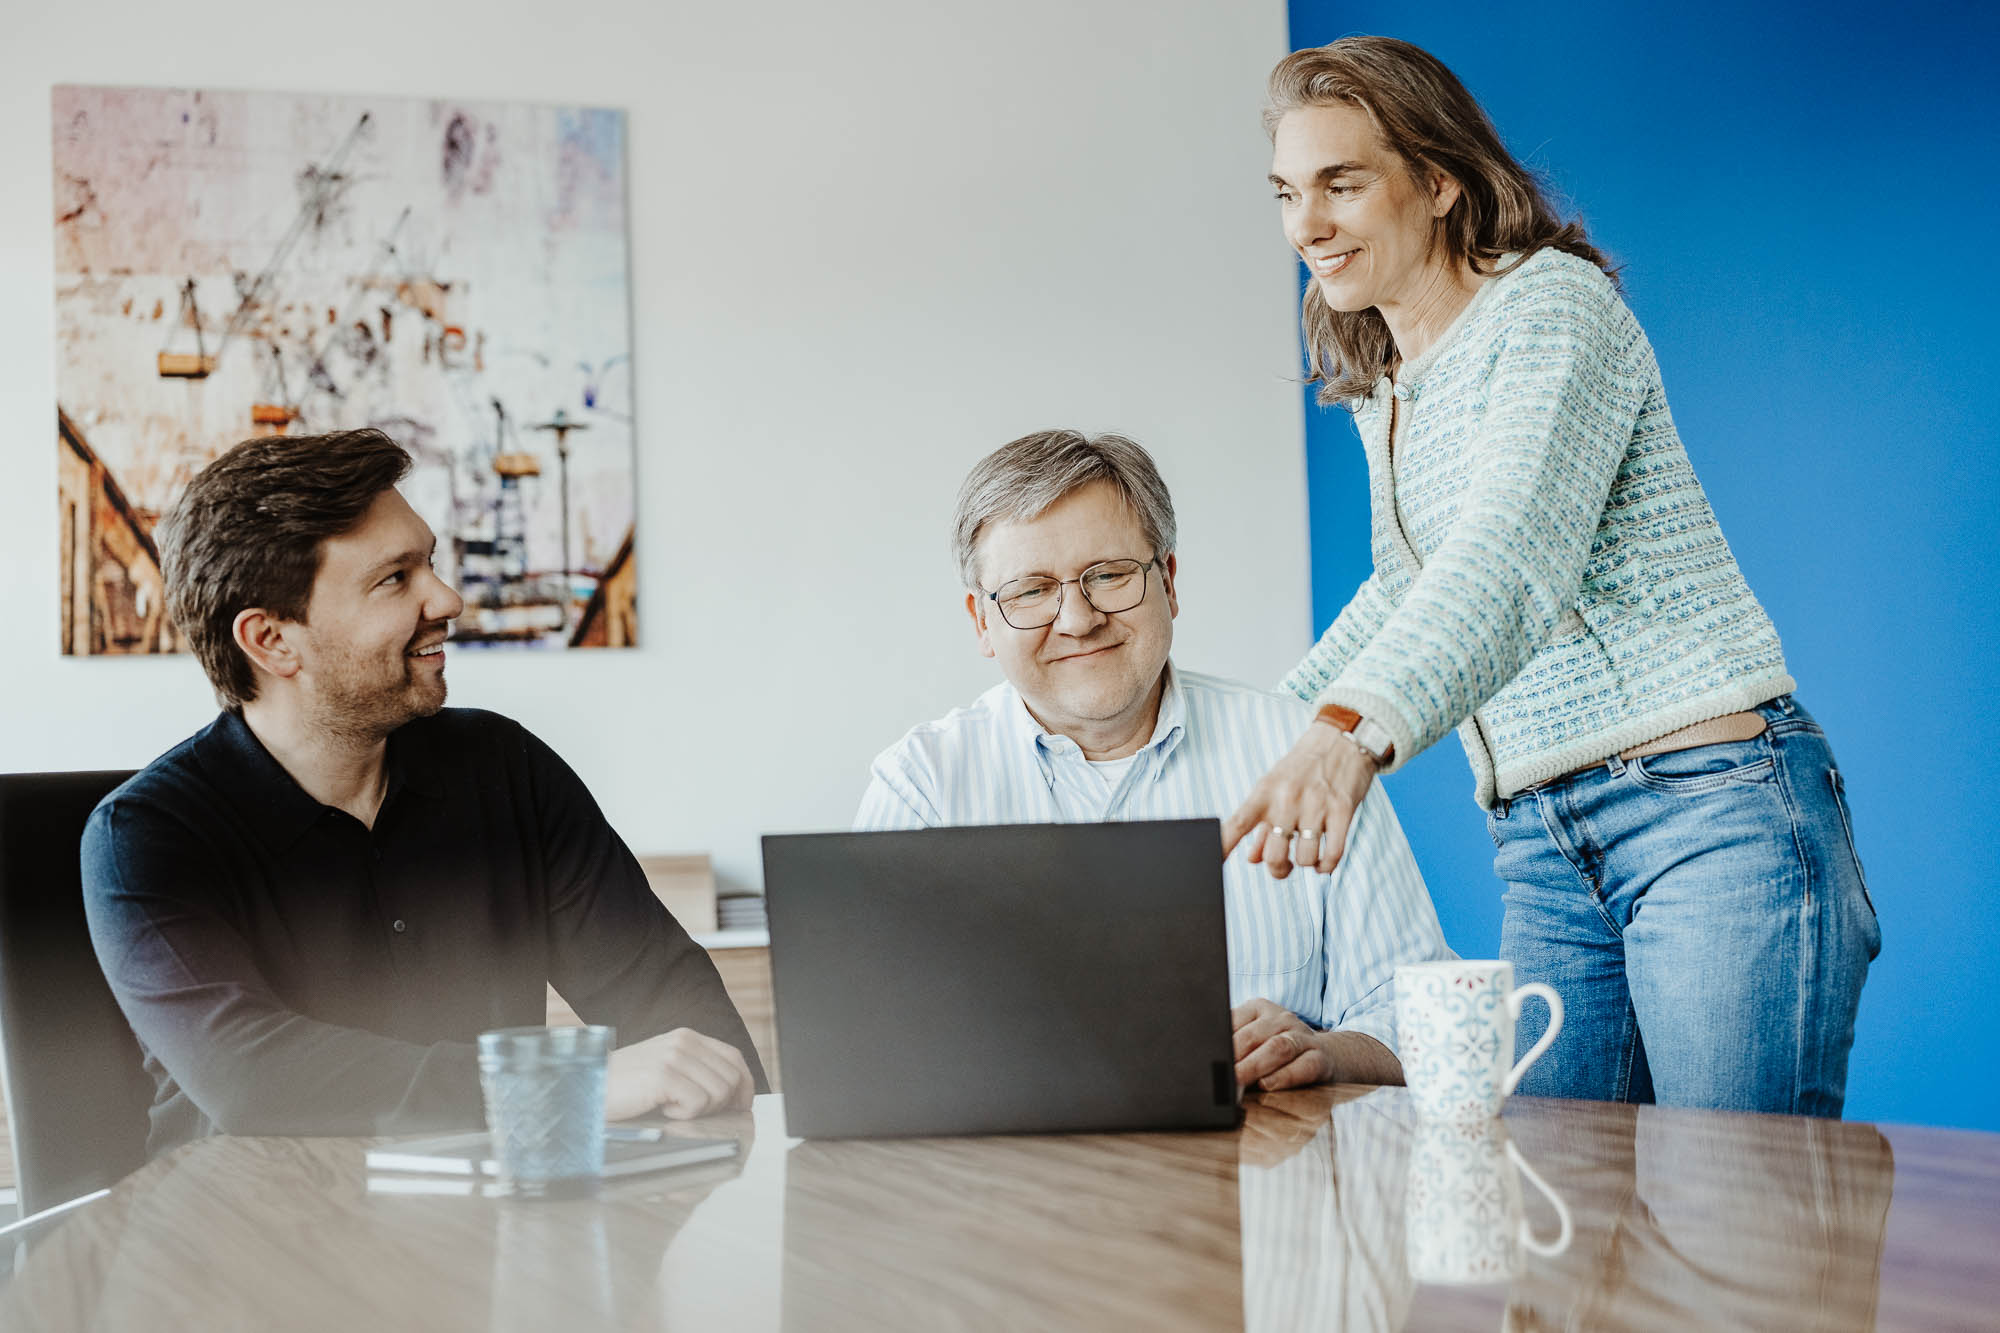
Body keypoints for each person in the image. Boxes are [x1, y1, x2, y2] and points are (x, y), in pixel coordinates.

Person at [1224, 36, 1877, 1115]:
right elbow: (1408, 587)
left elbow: (1512, 553)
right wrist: (1259, 748)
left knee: (1735, 1205)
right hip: (1541, 842)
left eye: (1341, 183)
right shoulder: (1390, 385)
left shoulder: (1549, 307)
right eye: (1288, 193)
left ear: (1438, 180)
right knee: (1551, 1206)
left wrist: (1344, 735)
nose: (1307, 226)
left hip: (1703, 810)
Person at [82, 429, 763, 1156]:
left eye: (428, 563)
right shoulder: (144, 837)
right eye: (394, 579)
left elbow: (677, 1013)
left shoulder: (506, 767)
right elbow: (254, 1075)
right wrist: (560, 1086)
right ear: (272, 640)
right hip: (255, 1217)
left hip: (493, 1210)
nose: (448, 599)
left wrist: (703, 1087)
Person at [855, 429, 1452, 1091]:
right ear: (981, 622)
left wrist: (1325, 1053)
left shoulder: (1304, 754)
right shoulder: (922, 788)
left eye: (1109, 575)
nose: (1078, 619)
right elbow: (868, 1047)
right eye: (1030, 590)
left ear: (1167, 581)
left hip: (1274, 1154)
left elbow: (1428, 1023)